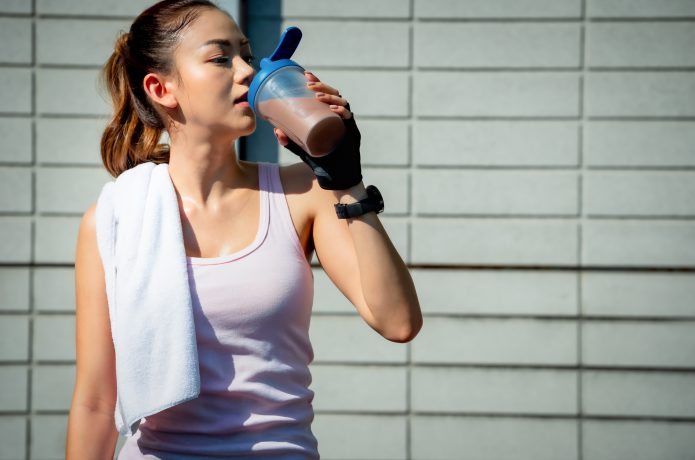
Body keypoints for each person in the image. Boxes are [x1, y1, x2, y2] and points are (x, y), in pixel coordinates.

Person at [65, 0, 422, 458]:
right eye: (220, 58)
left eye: (247, 56)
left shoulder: (302, 193)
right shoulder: (115, 218)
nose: (247, 72)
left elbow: (398, 322)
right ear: (161, 87)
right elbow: (96, 401)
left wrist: (346, 180)